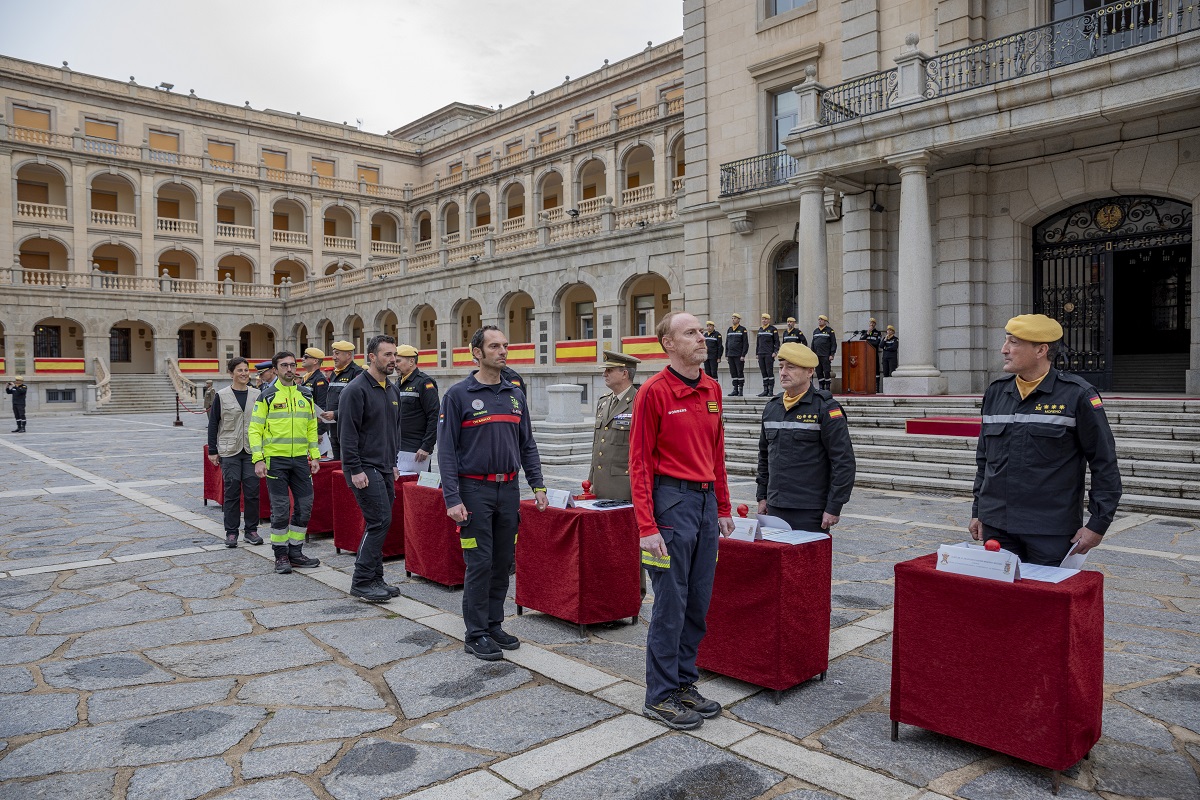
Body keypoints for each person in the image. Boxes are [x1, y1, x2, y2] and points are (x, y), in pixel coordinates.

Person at [630, 311, 734, 730]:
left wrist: (724, 507)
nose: (701, 337)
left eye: (702, 331)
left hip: (706, 506)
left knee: (697, 602)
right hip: (670, 506)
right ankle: (659, 694)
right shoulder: (654, 391)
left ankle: (684, 682)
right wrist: (646, 526)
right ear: (668, 344)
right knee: (670, 604)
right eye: (690, 333)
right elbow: (638, 463)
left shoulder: (712, 387)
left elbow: (717, 452)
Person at [969, 314, 1122, 566]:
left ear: (1041, 349)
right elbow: (985, 460)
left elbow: (1104, 462)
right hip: (998, 526)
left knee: (1045, 602)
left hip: (1049, 529)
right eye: (1006, 341)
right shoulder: (996, 393)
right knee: (998, 602)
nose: (1004, 349)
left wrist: (1098, 524)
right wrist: (979, 511)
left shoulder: (1078, 395)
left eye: (1014, 342)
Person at [437, 325, 548, 661]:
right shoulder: (458, 395)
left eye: (505, 345)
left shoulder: (515, 394)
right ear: (477, 353)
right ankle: (476, 633)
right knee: (480, 563)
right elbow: (446, 450)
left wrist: (538, 484)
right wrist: (452, 498)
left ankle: (494, 623)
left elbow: (527, 443)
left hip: (508, 490)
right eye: (495, 346)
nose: (503, 351)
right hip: (474, 492)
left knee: (503, 562)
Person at [756, 343, 856, 532]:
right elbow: (764, 457)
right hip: (775, 506)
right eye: (781, 367)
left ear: (810, 371)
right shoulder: (772, 408)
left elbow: (843, 461)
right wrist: (762, 496)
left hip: (810, 510)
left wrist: (834, 507)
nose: (783, 373)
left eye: (790, 367)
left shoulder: (826, 408)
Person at [338, 335, 405, 603]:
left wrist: (393, 463)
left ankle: (376, 578)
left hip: (385, 466)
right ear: (372, 357)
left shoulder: (391, 388)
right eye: (387, 355)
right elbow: (347, 434)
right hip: (363, 467)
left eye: (394, 355)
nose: (393, 360)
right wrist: (354, 469)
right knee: (379, 521)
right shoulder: (355, 390)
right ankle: (362, 580)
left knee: (381, 521)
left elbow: (392, 430)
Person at [248, 351, 322, 575]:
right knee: (280, 511)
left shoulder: (306, 394)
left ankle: (296, 552)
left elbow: (311, 427)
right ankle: (280, 555)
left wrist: (315, 455)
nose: (289, 369)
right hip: (275, 461)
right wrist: (258, 459)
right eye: (284, 366)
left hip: (300, 461)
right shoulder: (267, 396)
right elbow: (255, 429)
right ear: (275, 369)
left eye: (292, 365)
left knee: (305, 506)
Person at [207, 357, 263, 548]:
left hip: (251, 450)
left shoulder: (257, 394)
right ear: (231, 373)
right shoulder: (221, 395)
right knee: (231, 492)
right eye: (240, 370)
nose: (244, 374)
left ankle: (251, 530)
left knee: (252, 492)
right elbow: (214, 423)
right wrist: (212, 450)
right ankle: (231, 533)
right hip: (229, 450)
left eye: (246, 370)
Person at [588, 351, 641, 501]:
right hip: (600, 485)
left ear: (624, 374)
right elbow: (597, 444)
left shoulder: (640, 401)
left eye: (609, 370)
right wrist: (591, 480)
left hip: (624, 487)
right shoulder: (603, 401)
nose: (605, 374)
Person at [395, 344, 439, 473]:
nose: (395, 364)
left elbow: (434, 415)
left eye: (398, 361)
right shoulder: (398, 383)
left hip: (417, 448)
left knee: (417, 489)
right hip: (400, 446)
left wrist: (426, 446)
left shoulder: (424, 382)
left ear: (411, 361)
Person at [321, 341, 364, 458]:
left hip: (348, 431)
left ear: (348, 355)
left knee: (348, 466)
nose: (333, 357)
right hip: (333, 429)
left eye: (337, 353)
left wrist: (335, 414)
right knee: (337, 466)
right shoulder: (335, 374)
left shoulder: (357, 373)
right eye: (333, 353)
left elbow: (358, 405)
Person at [299, 347, 330, 457]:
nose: (303, 359)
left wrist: (320, 431)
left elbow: (322, 407)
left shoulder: (319, 380)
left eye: (306, 357)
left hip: (315, 430)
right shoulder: (306, 378)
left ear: (315, 361)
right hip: (305, 426)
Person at [755, 313, 780, 397]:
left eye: (766, 319)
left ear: (769, 320)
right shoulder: (760, 329)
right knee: (763, 372)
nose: (764, 320)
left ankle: (771, 390)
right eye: (763, 319)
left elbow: (777, 341)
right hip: (761, 353)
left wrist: (775, 351)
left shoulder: (773, 329)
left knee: (769, 372)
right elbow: (758, 343)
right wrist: (757, 353)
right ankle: (765, 390)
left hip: (769, 354)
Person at [811, 314, 837, 391]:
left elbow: (833, 343)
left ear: (825, 321)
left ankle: (828, 387)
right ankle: (821, 386)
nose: (819, 321)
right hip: (817, 355)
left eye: (821, 320)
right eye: (819, 319)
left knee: (826, 371)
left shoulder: (830, 331)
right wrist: (812, 353)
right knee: (818, 372)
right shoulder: (815, 331)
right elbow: (813, 343)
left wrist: (832, 354)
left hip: (826, 355)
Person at [725, 313, 748, 397]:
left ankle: (740, 389)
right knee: (733, 372)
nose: (733, 319)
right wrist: (726, 354)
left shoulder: (742, 329)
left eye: (735, 318)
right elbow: (727, 342)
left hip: (739, 355)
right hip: (730, 354)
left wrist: (743, 355)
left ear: (738, 319)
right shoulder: (729, 329)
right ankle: (735, 389)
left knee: (739, 372)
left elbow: (745, 343)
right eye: (732, 318)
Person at [863, 318, 883, 392]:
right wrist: (867, 333)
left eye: (873, 323)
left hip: (874, 354)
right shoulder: (865, 332)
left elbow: (877, 343)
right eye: (871, 323)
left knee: (876, 370)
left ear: (875, 324)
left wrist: (868, 342)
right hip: (866, 354)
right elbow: (861, 340)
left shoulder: (878, 333)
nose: (872, 324)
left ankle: (877, 388)